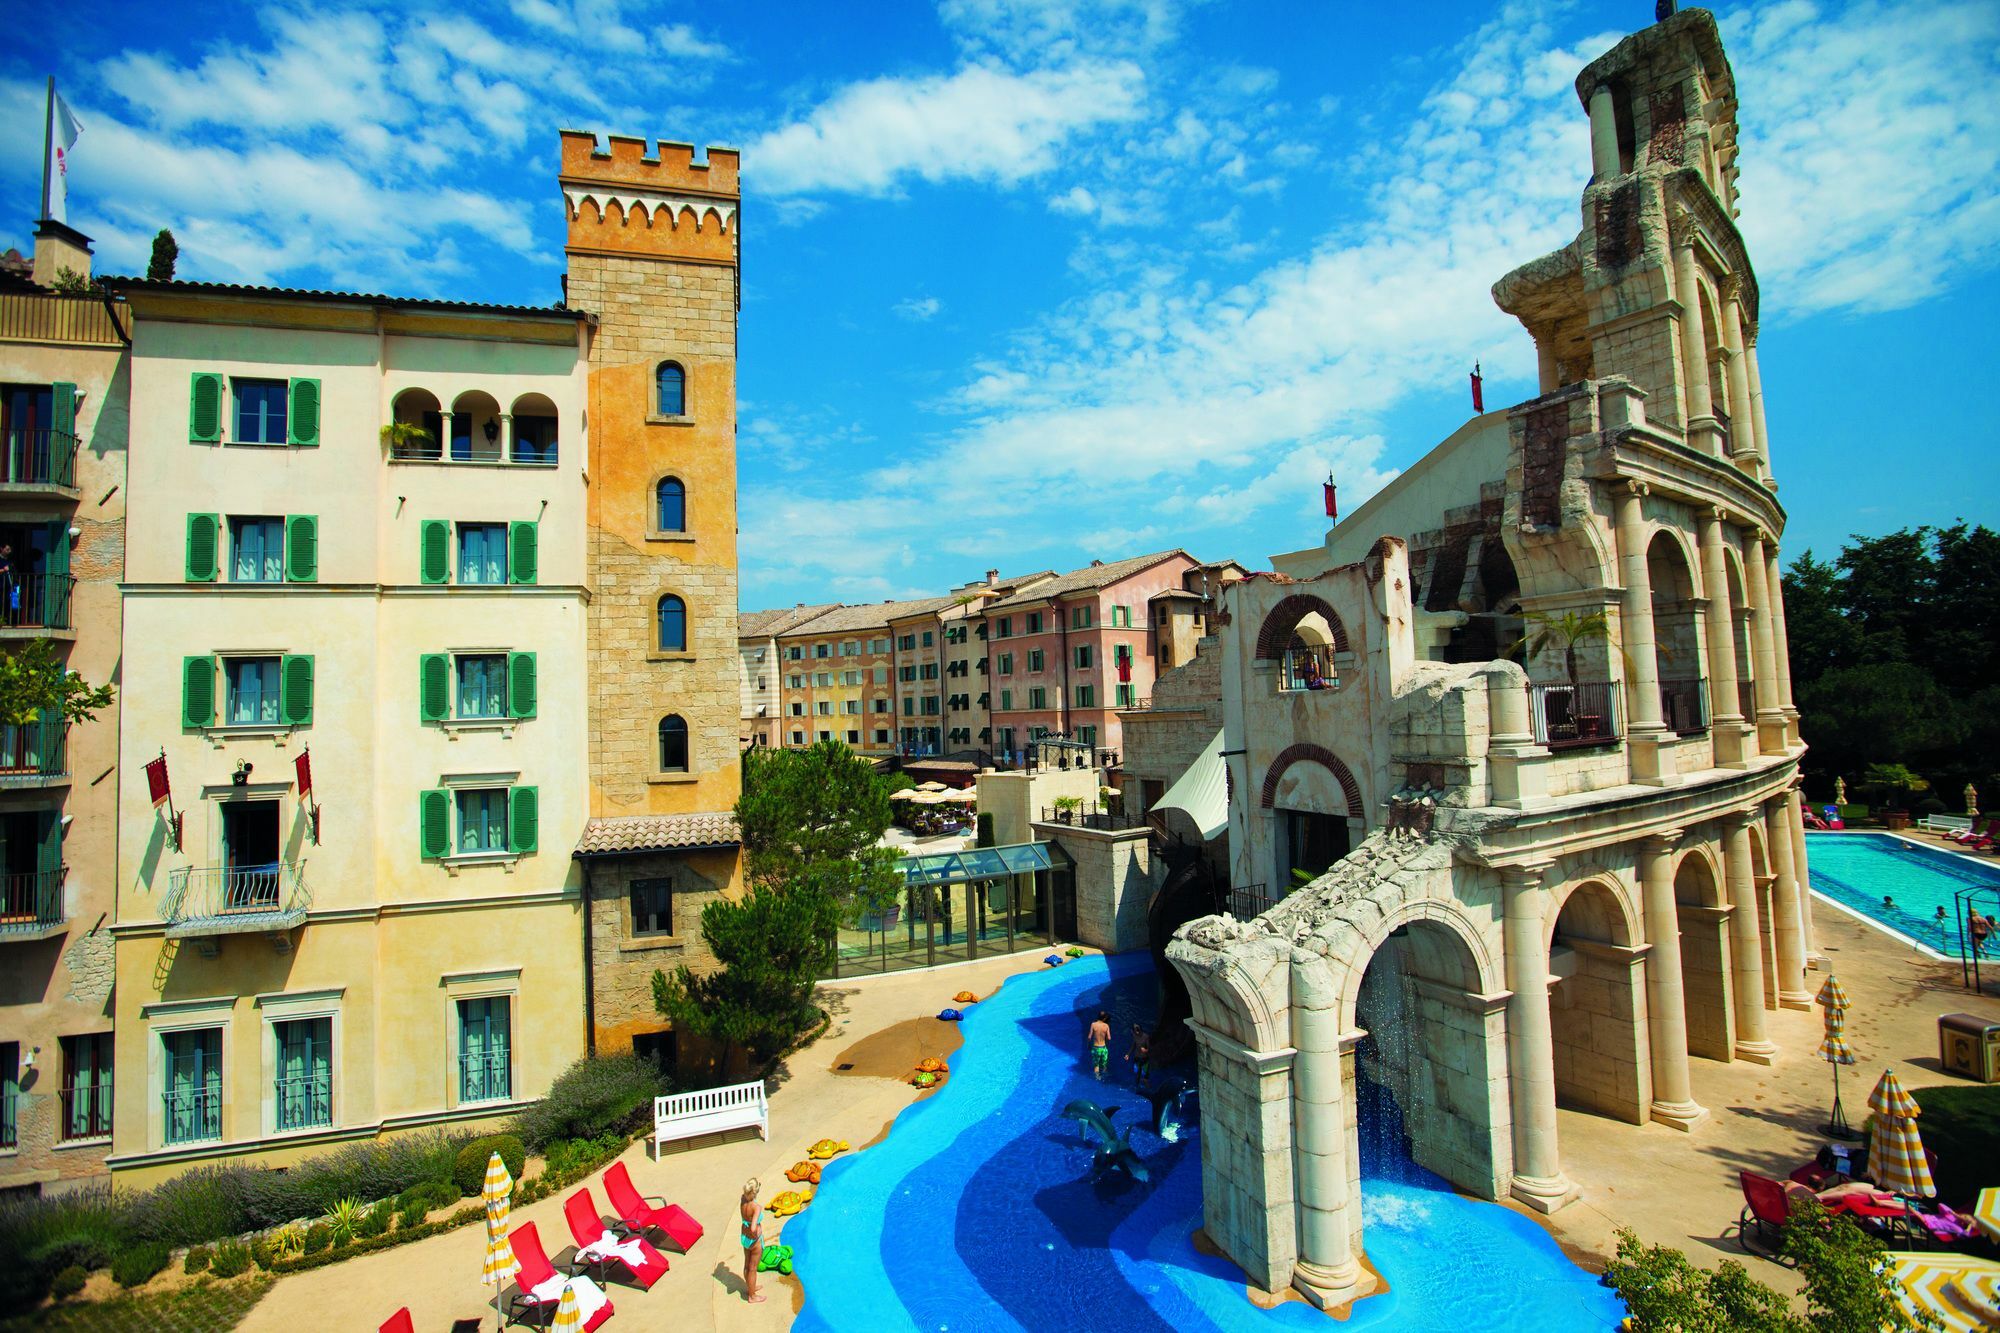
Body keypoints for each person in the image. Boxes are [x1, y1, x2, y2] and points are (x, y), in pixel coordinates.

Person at [740, 1178, 766, 1304]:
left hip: (744, 1238)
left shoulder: (742, 1200)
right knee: (753, 1268)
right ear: (755, 1192)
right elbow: (753, 1227)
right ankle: (752, 1296)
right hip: (754, 1240)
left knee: (746, 1264)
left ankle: (750, 1287)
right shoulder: (756, 1207)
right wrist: (757, 1231)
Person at [1087, 1010, 1111, 1082]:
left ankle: (1097, 1078)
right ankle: (1104, 1078)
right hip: (1103, 1048)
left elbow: (1089, 1037)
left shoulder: (1093, 1024)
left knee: (1096, 1065)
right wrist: (1106, 1042)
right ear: (1104, 1018)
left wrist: (1088, 1045)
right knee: (1104, 1065)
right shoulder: (1106, 1026)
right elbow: (1109, 1038)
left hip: (1096, 1048)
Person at [1126, 1022, 1151, 1091]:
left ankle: (1147, 1088)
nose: (1135, 1033)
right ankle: (1137, 1088)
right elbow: (1133, 1046)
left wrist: (1145, 1050)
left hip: (1144, 1058)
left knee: (1145, 1076)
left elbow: (1149, 1048)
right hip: (1137, 1058)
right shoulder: (1135, 1036)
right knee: (1138, 1074)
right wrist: (1128, 1054)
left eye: (1136, 1031)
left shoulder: (1146, 1036)